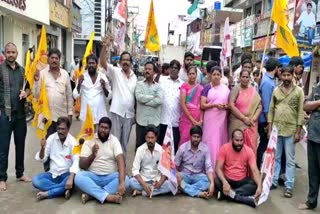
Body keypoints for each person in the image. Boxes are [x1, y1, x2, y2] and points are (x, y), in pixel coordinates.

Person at [268, 66, 304, 198]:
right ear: (281, 76)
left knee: (290, 160)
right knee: (276, 157)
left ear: (293, 76)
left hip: (291, 130)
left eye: (289, 75)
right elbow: (271, 109)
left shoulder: (299, 91)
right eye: (284, 75)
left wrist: (298, 131)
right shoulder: (276, 90)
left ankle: (289, 186)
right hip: (277, 129)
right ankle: (274, 181)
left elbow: (301, 112)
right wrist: (270, 128)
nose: (287, 78)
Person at [0, 42, 31, 191]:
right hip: (5, 115)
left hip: (20, 115)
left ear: (17, 53)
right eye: (8, 52)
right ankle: (2, 178)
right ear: (5, 53)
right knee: (3, 147)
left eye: (13, 52)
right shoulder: (0, 69)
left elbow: (28, 87)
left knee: (21, 145)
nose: (11, 55)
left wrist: (26, 93)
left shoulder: (22, 70)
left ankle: (20, 173)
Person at [74, 117, 128, 204]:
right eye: (101, 127)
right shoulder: (89, 139)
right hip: (93, 176)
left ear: (110, 129)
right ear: (98, 127)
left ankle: (92, 195)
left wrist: (121, 183)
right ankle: (107, 197)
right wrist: (92, 155)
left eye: (106, 128)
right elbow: (82, 165)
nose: (103, 130)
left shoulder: (114, 141)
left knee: (126, 180)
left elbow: (121, 161)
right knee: (78, 177)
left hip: (110, 176)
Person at [100, 36, 137, 155]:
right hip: (116, 112)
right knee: (115, 141)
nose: (125, 62)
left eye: (128, 60)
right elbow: (103, 63)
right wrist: (105, 46)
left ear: (130, 63)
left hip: (129, 115)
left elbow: (135, 97)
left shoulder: (135, 77)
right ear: (120, 62)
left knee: (124, 143)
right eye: (123, 60)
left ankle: (122, 168)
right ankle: (114, 169)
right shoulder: (115, 72)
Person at [32, 117, 79, 200]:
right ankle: (64, 189)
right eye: (59, 129)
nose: (60, 131)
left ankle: (48, 194)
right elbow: (43, 158)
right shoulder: (51, 138)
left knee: (74, 179)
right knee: (36, 180)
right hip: (52, 174)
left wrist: (71, 179)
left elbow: (76, 161)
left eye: (63, 129)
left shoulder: (73, 142)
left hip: (66, 174)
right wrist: (42, 148)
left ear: (68, 129)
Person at [215, 129, 262, 208]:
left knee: (254, 185)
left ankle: (227, 195)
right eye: (237, 140)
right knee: (216, 180)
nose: (239, 143)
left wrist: (260, 186)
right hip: (228, 180)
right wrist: (225, 182)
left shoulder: (249, 151)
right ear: (231, 139)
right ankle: (241, 198)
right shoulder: (224, 148)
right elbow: (217, 168)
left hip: (241, 181)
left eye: (241, 140)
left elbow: (254, 170)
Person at [34, 48, 74, 139]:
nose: (54, 60)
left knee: (61, 144)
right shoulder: (42, 74)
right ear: (48, 59)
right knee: (47, 145)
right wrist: (36, 82)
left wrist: (70, 115)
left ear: (60, 60)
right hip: (46, 118)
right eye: (52, 58)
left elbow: (69, 96)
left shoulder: (65, 75)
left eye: (56, 58)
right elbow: (36, 95)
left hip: (62, 118)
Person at [201, 66, 230, 172]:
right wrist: (214, 105)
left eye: (218, 75)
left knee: (220, 142)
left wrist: (224, 106)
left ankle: (219, 170)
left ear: (221, 76)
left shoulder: (226, 89)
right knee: (210, 143)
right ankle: (209, 170)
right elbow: (202, 105)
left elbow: (229, 105)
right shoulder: (206, 88)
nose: (216, 77)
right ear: (210, 76)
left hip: (221, 121)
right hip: (210, 120)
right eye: (214, 74)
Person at [130, 125, 171, 197]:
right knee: (130, 182)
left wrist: (160, 183)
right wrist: (144, 185)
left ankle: (142, 192)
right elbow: (135, 170)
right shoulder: (140, 150)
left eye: (152, 138)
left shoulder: (161, 150)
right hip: (144, 179)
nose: (150, 140)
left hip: (156, 180)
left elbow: (165, 170)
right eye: (148, 138)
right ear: (145, 138)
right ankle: (150, 190)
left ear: (156, 138)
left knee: (171, 185)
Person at [175, 126, 214, 199]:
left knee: (209, 182)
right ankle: (198, 193)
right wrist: (177, 175)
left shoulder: (205, 149)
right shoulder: (182, 148)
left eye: (198, 137)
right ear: (190, 136)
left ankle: (184, 188)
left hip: (198, 176)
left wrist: (212, 183)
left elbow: (208, 168)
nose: (196, 139)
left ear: (201, 138)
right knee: (175, 179)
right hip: (185, 175)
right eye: (194, 136)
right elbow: (175, 166)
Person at [73, 54, 111, 129]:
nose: (91, 65)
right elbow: (75, 95)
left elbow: (109, 96)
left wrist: (104, 87)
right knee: (86, 140)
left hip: (100, 115)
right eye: (89, 63)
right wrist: (79, 84)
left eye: (93, 63)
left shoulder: (102, 77)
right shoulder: (82, 77)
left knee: (99, 139)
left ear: (96, 64)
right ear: (87, 64)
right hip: (86, 116)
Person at [229, 70, 262, 154]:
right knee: (235, 148)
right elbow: (231, 105)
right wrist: (243, 118)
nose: (245, 79)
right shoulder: (235, 89)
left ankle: (249, 166)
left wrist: (253, 119)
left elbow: (259, 106)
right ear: (240, 78)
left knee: (250, 150)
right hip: (237, 122)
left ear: (249, 79)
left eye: (247, 77)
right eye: (243, 77)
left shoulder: (253, 91)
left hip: (251, 124)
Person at [298, 81, 320, 210]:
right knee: (313, 172)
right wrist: (318, 103)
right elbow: (305, 106)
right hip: (312, 136)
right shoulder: (317, 86)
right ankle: (311, 201)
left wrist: (314, 106)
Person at [257, 57, 278, 169]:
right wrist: (267, 123)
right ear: (275, 68)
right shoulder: (267, 83)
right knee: (263, 144)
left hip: (267, 118)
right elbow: (266, 105)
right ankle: (258, 165)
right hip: (264, 119)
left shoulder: (269, 80)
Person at [135, 62, 163, 150]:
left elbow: (159, 100)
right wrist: (153, 97)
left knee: (153, 148)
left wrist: (144, 101)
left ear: (154, 72)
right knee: (140, 147)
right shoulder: (139, 84)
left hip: (154, 122)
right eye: (146, 69)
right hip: (141, 122)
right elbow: (139, 98)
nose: (147, 71)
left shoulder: (159, 87)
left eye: (149, 69)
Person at [158, 59, 184, 153]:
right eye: (171, 67)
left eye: (176, 68)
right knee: (161, 147)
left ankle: (172, 167)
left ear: (179, 70)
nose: (173, 69)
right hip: (163, 120)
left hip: (175, 122)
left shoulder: (182, 84)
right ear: (169, 69)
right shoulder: (162, 80)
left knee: (173, 148)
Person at [179, 66, 203, 146]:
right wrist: (192, 120)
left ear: (196, 75)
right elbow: (182, 104)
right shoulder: (184, 86)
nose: (192, 75)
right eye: (190, 74)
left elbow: (202, 105)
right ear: (187, 75)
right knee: (184, 141)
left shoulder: (200, 88)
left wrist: (201, 120)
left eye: (193, 73)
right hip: (186, 118)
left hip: (197, 119)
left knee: (196, 141)